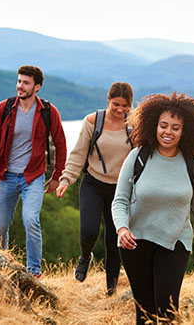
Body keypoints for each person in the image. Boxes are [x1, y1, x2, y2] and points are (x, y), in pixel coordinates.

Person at [112, 92, 194, 324]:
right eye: (163, 125)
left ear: (184, 131)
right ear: (154, 125)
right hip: (135, 242)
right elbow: (119, 200)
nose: (168, 132)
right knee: (145, 312)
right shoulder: (137, 157)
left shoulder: (193, 164)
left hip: (175, 243)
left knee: (167, 310)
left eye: (175, 127)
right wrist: (122, 229)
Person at [0, 65, 66, 278]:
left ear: (37, 87)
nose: (20, 86)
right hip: (6, 176)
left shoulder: (48, 111)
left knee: (31, 220)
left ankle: (34, 272)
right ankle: (2, 267)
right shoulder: (5, 107)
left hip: (33, 177)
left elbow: (61, 144)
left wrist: (57, 177)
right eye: (19, 81)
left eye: (26, 83)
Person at [56, 82, 134, 295]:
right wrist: (66, 180)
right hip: (93, 183)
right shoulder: (93, 121)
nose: (120, 110)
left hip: (120, 190)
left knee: (113, 238)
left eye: (125, 106)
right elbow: (78, 153)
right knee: (89, 230)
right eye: (116, 104)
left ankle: (111, 287)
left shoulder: (134, 124)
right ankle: (85, 256)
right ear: (108, 99)